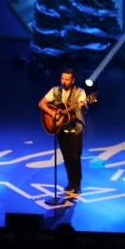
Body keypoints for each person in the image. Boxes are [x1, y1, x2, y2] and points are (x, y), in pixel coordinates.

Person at [38, 67, 90, 195]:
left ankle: (77, 184)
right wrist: (52, 113)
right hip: (61, 128)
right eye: (62, 79)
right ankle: (70, 182)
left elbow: (84, 109)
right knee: (66, 157)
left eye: (67, 79)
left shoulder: (80, 92)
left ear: (72, 80)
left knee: (75, 157)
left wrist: (83, 105)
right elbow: (42, 103)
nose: (64, 81)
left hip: (75, 130)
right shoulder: (55, 90)